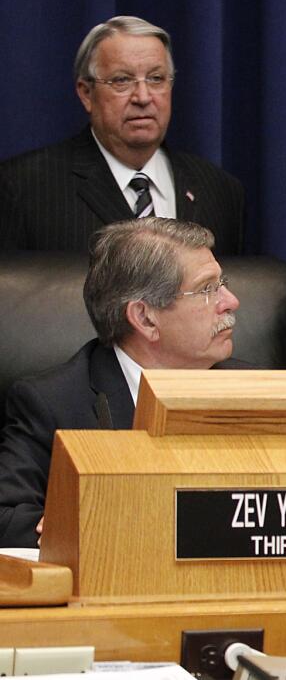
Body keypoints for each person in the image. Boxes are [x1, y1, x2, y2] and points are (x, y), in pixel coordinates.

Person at [0, 218, 245, 547]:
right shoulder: (54, 403)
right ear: (144, 318)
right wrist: (81, 527)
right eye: (206, 289)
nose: (230, 301)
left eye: (222, 283)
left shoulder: (252, 389)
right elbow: (6, 517)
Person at [0, 16, 244, 255]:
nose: (143, 97)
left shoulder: (220, 190)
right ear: (86, 93)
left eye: (156, 78)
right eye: (122, 80)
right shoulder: (23, 189)